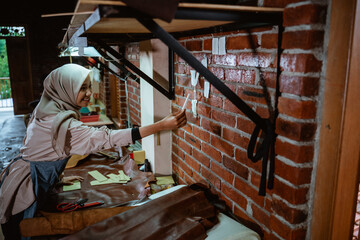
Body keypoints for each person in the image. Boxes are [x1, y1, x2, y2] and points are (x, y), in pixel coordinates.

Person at [0, 63, 187, 239]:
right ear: (65, 88)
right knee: (27, 231)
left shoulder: (46, 110)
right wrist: (161, 125)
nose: (89, 93)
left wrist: (58, 177)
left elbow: (43, 152)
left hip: (21, 177)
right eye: (82, 88)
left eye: (89, 86)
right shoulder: (62, 125)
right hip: (25, 191)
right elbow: (109, 138)